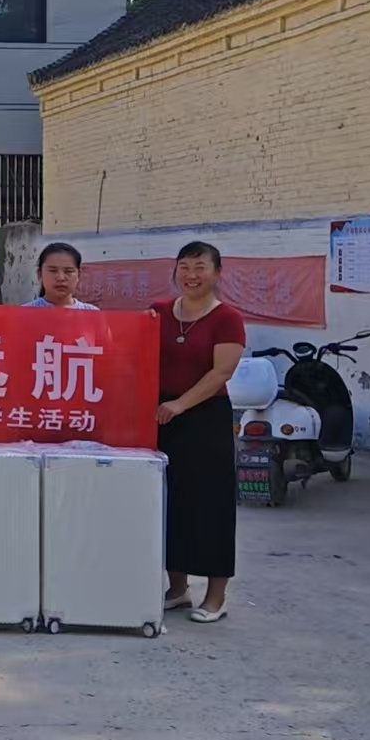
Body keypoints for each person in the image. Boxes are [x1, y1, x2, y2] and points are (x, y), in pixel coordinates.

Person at [153, 241, 246, 624]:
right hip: (160, 417)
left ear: (217, 272)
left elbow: (221, 372)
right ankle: (177, 589)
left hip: (205, 418)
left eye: (200, 267)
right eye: (184, 267)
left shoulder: (227, 318)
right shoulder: (158, 312)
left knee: (211, 507)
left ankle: (215, 596)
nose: (191, 275)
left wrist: (181, 404)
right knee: (169, 504)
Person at [23, 242, 98, 309]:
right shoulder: (23, 313)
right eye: (53, 271)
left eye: (68, 271)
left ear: (79, 275)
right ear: (40, 274)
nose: (61, 278)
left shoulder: (92, 314)